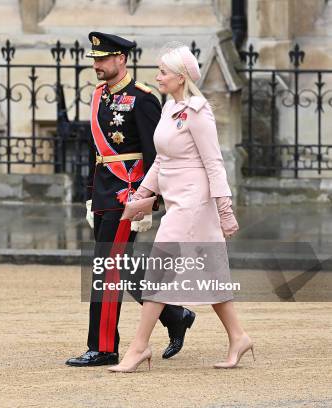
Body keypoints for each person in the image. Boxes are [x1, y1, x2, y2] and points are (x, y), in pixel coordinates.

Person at [108, 43, 253, 373]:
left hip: (195, 202)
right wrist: (143, 193)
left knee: (158, 271)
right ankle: (239, 337)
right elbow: (162, 159)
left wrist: (225, 210)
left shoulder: (198, 111)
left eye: (163, 72)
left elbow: (214, 163)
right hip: (176, 199)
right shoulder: (169, 108)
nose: (157, 76)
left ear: (180, 77)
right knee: (211, 275)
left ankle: (138, 347)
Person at [66, 33, 196, 368]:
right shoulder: (99, 96)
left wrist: (148, 200)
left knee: (107, 268)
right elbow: (95, 153)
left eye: (103, 59)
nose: (96, 65)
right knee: (116, 267)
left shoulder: (143, 98)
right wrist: (89, 196)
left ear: (121, 58)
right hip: (105, 192)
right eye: (94, 59)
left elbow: (156, 155)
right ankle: (174, 314)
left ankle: (104, 346)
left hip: (129, 194)